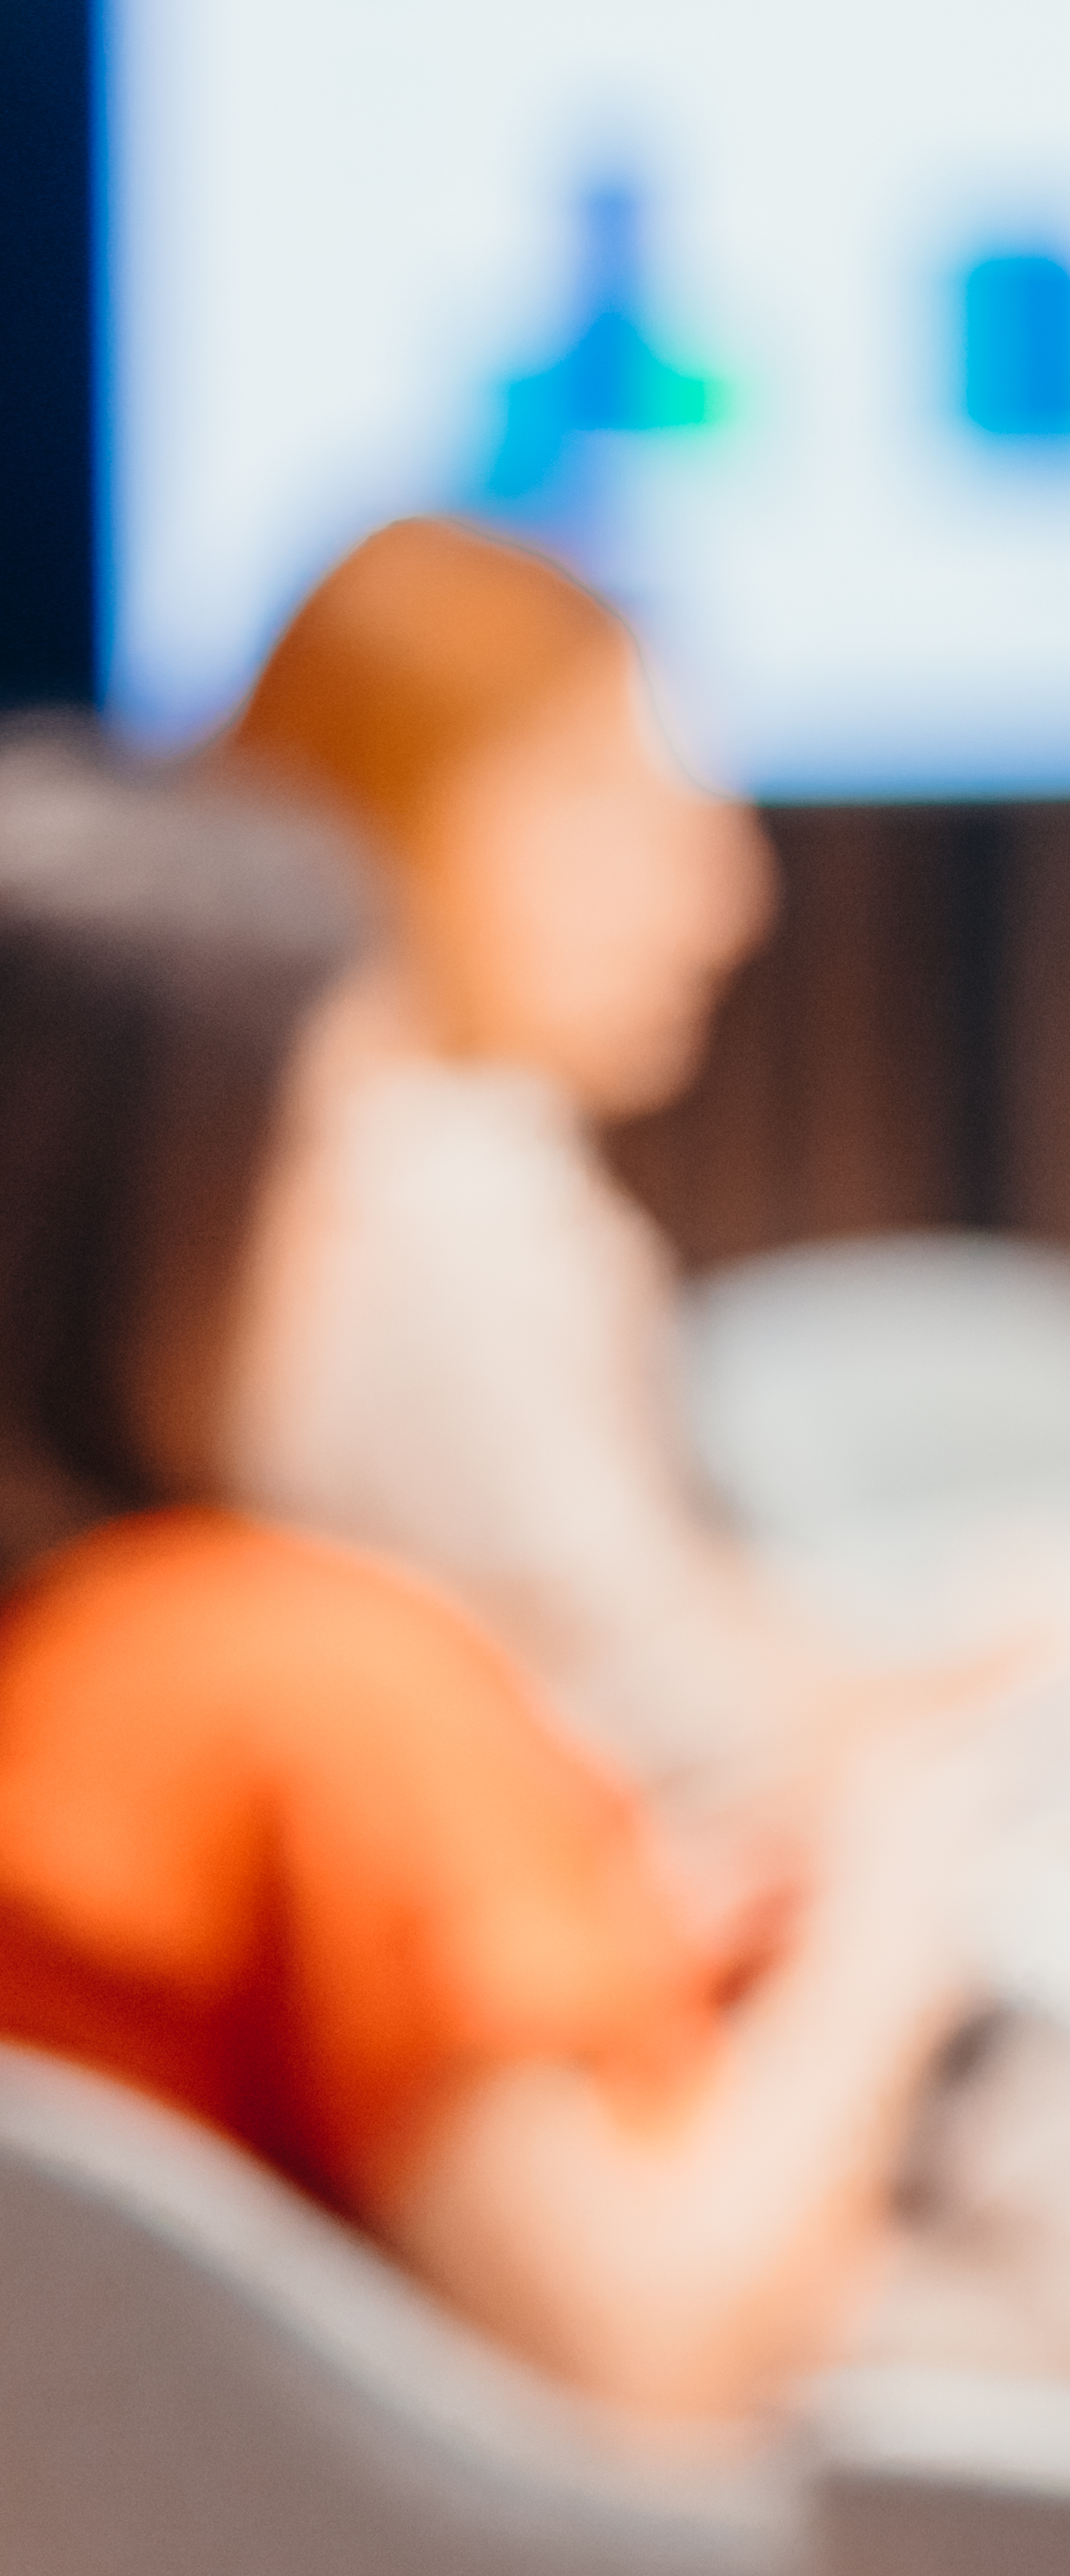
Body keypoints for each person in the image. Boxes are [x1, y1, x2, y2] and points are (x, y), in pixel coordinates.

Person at [0, 733, 994, 2420]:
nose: (366, 1227)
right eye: (325, 1147)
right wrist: (902, 1911)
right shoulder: (299, 1681)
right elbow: (654, 2360)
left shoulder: (117, 1667)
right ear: (159, 1211)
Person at [215, 515, 837, 1808]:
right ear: (399, 804)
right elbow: (670, 1740)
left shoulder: (271, 1171)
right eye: (626, 817)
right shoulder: (441, 1197)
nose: (726, 904)